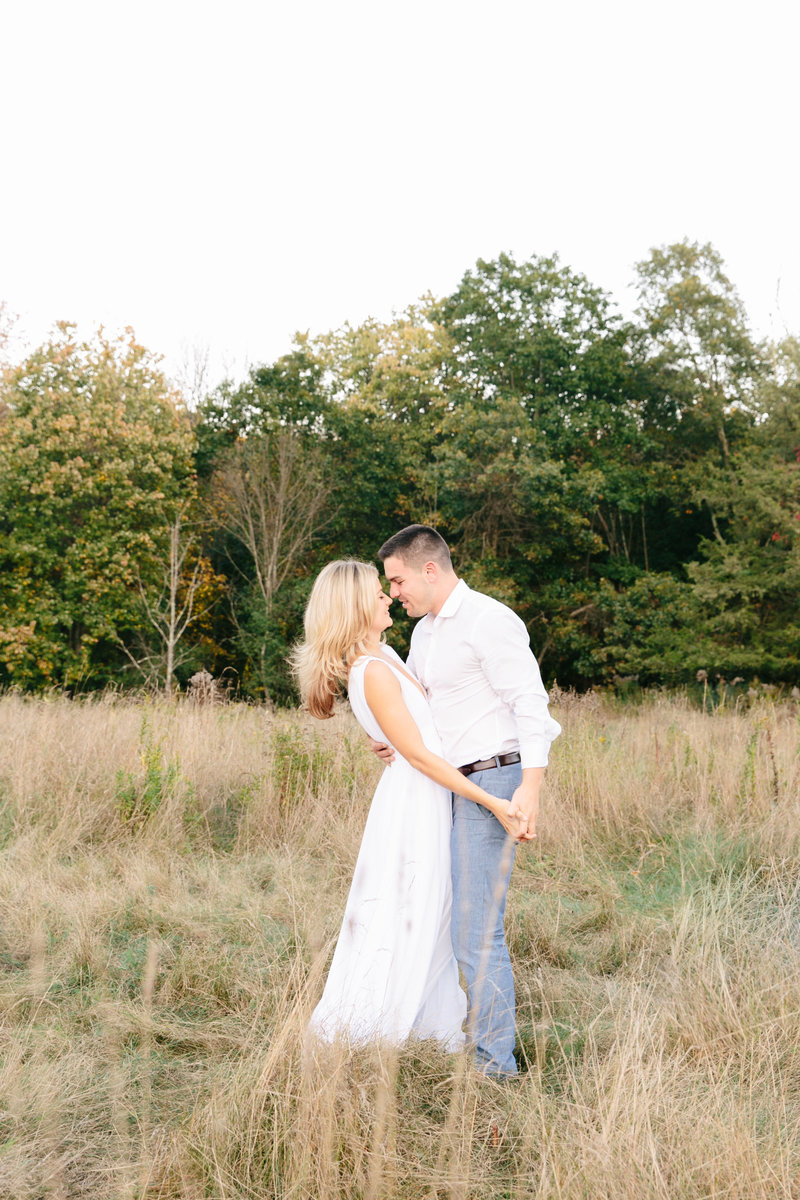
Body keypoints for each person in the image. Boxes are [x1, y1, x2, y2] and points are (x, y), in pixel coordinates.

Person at [292, 559, 527, 1050]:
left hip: (430, 795)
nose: (387, 598)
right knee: (408, 911)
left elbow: (419, 730)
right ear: (356, 606)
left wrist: (387, 740)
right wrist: (490, 800)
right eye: (378, 592)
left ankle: (426, 1025)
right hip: (416, 804)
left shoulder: (390, 654)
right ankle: (370, 1029)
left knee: (432, 913)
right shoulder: (372, 670)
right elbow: (418, 754)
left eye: (388, 587)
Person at [375, 525, 561, 1078]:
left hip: (496, 783)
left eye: (398, 579)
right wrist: (399, 741)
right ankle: (470, 1039)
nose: (394, 593)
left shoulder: (489, 620)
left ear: (429, 570)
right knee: (451, 919)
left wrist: (530, 790)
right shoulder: (426, 634)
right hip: (450, 787)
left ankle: (494, 1067)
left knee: (477, 931)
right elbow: (436, 709)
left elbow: (531, 706)